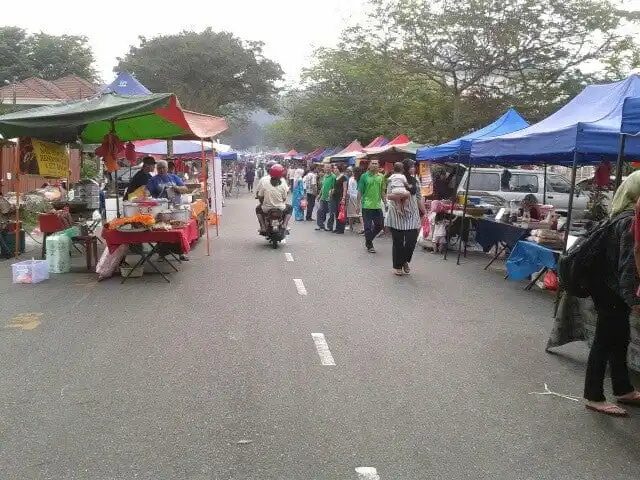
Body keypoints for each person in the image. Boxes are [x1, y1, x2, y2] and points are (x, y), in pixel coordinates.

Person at [583, 172, 640, 416]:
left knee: (620, 338)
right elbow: (628, 266)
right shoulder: (628, 221)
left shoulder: (617, 216)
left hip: (607, 288)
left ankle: (623, 388)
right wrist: (634, 301)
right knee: (605, 340)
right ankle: (593, 396)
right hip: (612, 290)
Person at [385, 158, 427, 274]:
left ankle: (404, 260)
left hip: (411, 212)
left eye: (414, 166)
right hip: (396, 211)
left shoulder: (415, 180)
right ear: (406, 168)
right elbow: (388, 196)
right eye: (412, 166)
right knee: (397, 241)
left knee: (411, 240)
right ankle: (397, 266)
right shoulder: (394, 179)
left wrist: (424, 211)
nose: (413, 168)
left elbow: (418, 197)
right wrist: (399, 197)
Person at [357, 158, 386, 253]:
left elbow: (382, 191)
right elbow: (360, 191)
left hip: (377, 206)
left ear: (378, 165)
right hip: (366, 205)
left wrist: (385, 202)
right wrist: (357, 205)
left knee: (380, 225)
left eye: (376, 163)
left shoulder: (381, 177)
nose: (374, 165)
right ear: (369, 165)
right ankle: (370, 246)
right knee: (368, 227)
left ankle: (368, 240)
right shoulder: (364, 176)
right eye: (372, 163)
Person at [255, 164, 292, 234]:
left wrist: (263, 202)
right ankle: (284, 225)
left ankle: (263, 226)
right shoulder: (283, 183)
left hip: (266, 208)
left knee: (258, 209)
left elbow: (260, 196)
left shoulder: (264, 182)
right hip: (280, 208)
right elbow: (284, 198)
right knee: (290, 208)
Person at [315, 164, 336, 232]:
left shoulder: (333, 176)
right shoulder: (324, 176)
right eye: (326, 167)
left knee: (330, 213)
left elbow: (333, 188)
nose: (327, 168)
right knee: (320, 211)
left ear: (331, 169)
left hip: (330, 198)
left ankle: (329, 227)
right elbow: (323, 187)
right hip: (323, 197)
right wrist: (319, 195)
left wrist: (330, 195)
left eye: (329, 167)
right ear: (324, 168)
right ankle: (321, 225)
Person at [331, 164, 349, 234]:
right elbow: (335, 187)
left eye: (336, 168)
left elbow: (345, 188)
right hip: (335, 197)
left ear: (339, 169)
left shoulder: (343, 177)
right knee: (336, 213)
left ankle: (341, 229)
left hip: (341, 197)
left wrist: (344, 198)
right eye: (334, 168)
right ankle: (337, 228)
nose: (335, 170)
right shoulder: (336, 177)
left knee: (341, 212)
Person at [346, 167, 360, 232]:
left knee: (351, 213)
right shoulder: (361, 178)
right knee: (360, 213)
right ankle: (363, 227)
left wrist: (347, 197)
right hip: (359, 196)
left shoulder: (351, 179)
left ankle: (351, 227)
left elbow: (349, 190)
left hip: (352, 197)